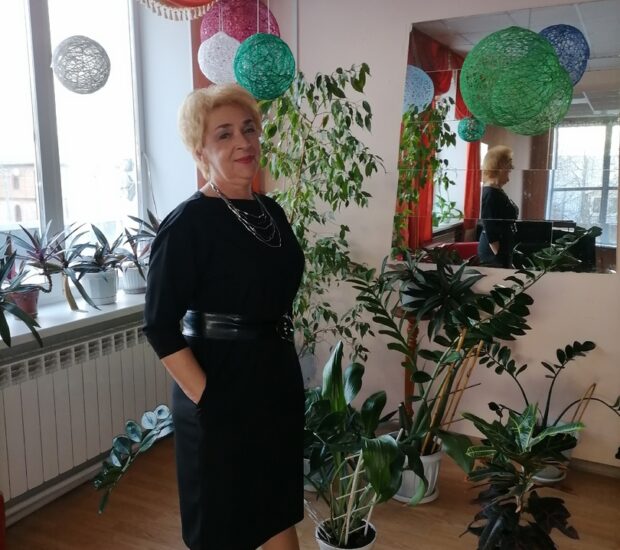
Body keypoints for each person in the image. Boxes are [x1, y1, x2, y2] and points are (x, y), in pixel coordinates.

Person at [143, 83, 305, 550]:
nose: (243, 142)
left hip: (274, 379)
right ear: (200, 152)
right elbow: (160, 326)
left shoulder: (272, 212)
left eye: (249, 129)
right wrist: (210, 400)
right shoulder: (187, 224)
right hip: (219, 385)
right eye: (224, 134)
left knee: (276, 508)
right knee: (223, 523)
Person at [477, 145, 519, 268]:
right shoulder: (490, 193)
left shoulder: (496, 191)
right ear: (500, 167)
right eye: (508, 168)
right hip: (493, 256)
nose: (511, 168)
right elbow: (490, 230)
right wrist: (501, 259)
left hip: (501, 251)